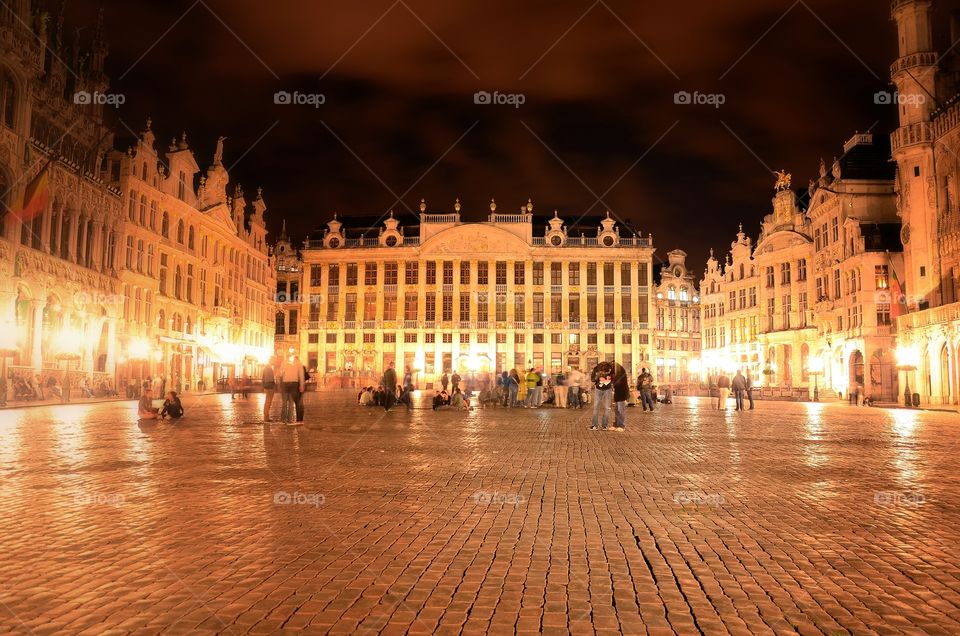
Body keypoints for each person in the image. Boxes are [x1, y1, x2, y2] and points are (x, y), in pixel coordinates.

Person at [279, 354, 305, 425]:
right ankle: (290, 419)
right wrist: (302, 385)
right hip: (294, 384)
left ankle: (283, 419)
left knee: (284, 402)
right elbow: (301, 375)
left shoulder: (284, 362)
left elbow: (280, 374)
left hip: (285, 383)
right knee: (291, 402)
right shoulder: (299, 364)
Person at [589, 362, 614, 431]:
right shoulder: (597, 370)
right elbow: (593, 379)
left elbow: (614, 378)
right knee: (599, 407)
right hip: (600, 389)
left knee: (603, 408)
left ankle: (600, 426)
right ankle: (599, 426)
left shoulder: (610, 369)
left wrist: (609, 379)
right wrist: (600, 378)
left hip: (605, 389)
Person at [611, 362, 629, 430]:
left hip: (622, 393)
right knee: (616, 410)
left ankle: (621, 425)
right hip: (617, 393)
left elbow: (618, 382)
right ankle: (616, 424)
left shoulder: (621, 373)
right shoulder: (617, 373)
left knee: (620, 410)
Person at [262, 356, 277, 421]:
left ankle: (266, 417)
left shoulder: (268, 367)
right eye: (274, 360)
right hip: (269, 387)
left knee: (268, 402)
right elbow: (269, 378)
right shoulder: (268, 367)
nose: (275, 361)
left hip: (268, 386)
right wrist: (274, 384)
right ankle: (266, 418)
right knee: (268, 402)